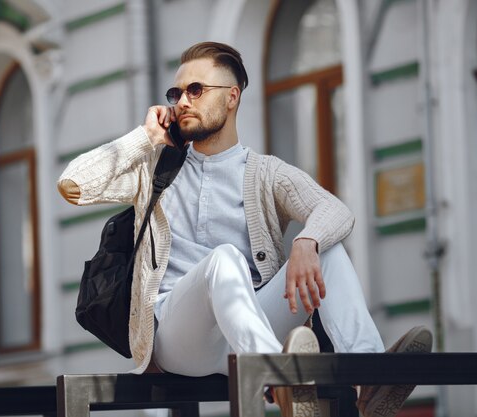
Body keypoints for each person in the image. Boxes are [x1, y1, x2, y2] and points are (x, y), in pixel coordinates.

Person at [58, 41, 432, 417]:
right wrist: (145, 138)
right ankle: (283, 380)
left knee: (328, 250)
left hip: (248, 324)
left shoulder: (265, 173)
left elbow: (335, 211)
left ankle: (370, 375)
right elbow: (73, 184)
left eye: (196, 90)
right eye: (177, 93)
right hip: (178, 336)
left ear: (232, 97)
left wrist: (306, 241)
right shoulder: (155, 168)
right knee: (225, 259)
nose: (182, 101)